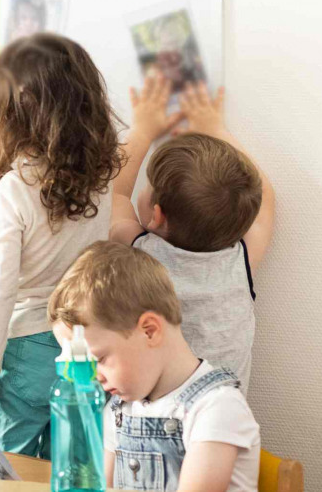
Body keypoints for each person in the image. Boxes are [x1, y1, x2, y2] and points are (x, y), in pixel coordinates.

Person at [0, 33, 122, 458]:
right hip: (84, 343)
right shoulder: (101, 182)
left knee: (7, 464)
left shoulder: (13, 192)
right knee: (70, 463)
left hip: (26, 347)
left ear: (11, 112)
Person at [49, 241, 261, 491]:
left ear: (149, 331)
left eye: (100, 360)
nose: (96, 378)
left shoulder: (216, 408)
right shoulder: (119, 411)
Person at [110, 77, 276, 392]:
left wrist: (143, 131)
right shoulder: (240, 261)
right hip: (223, 427)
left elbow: (114, 194)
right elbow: (265, 200)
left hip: (153, 425)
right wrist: (215, 127)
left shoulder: (139, 252)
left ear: (155, 215)